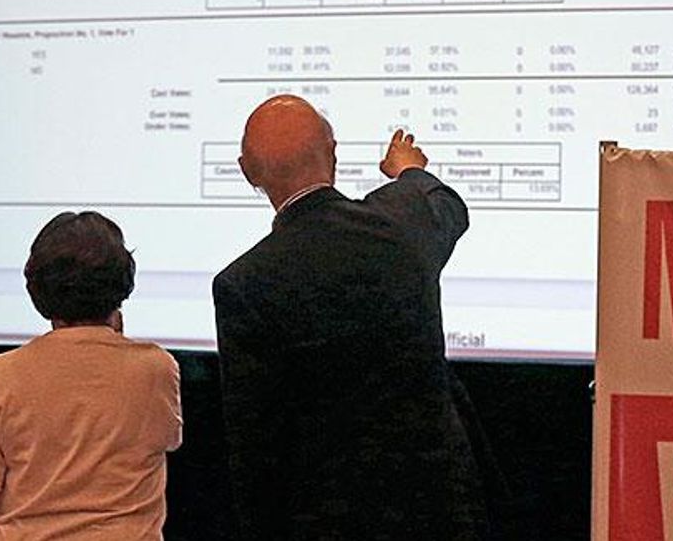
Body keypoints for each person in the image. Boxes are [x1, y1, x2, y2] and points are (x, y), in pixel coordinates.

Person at [213, 95, 498, 539]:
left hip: (326, 518)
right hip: (438, 508)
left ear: (248, 172)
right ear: (334, 154)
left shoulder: (243, 283)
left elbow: (255, 448)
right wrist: (409, 169)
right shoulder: (401, 224)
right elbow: (446, 206)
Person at [0, 212, 182, 541]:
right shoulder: (157, 369)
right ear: (123, 283)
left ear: (37, 288)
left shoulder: (0, 376)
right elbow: (164, 441)